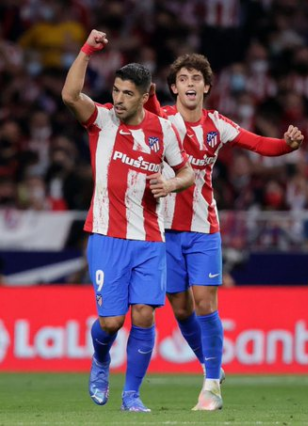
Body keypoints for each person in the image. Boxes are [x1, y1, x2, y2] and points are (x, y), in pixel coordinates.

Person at [144, 53, 303, 410]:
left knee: (204, 304)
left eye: (196, 79)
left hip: (203, 229)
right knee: (180, 307)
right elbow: (148, 109)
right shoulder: (163, 120)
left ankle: (212, 385)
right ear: (174, 87)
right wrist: (149, 96)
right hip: (165, 229)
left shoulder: (218, 125)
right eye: (183, 78)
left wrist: (287, 145)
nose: (189, 83)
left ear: (206, 88)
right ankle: (210, 364)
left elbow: (259, 144)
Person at [61, 30, 195, 412]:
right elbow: (70, 96)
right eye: (116, 90)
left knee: (143, 314)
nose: (118, 99)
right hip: (106, 236)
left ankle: (131, 395)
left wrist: (170, 183)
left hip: (150, 238)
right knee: (110, 323)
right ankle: (101, 359)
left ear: (143, 94)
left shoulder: (162, 129)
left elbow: (187, 173)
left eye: (127, 93)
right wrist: (87, 49)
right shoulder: (101, 120)